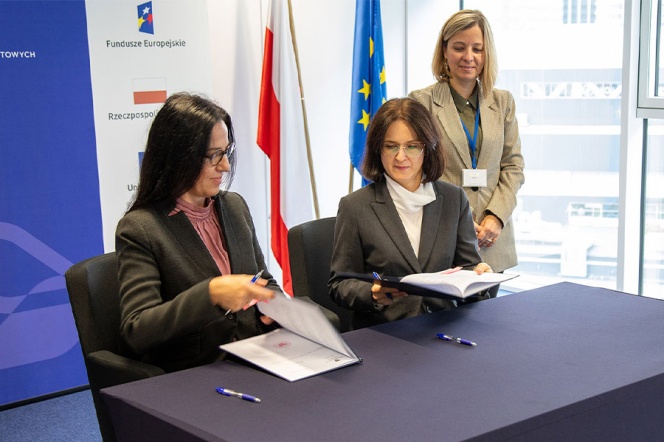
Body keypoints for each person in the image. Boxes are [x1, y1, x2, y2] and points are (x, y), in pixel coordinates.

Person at [115, 92, 279, 373]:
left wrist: (277, 308)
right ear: (178, 158)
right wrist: (210, 294)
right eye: (214, 156)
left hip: (256, 359)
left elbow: (263, 280)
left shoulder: (235, 206)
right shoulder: (141, 228)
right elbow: (138, 329)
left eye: (226, 152)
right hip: (197, 372)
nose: (225, 166)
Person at [328, 97, 491, 330]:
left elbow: (469, 268)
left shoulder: (453, 199)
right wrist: (371, 293)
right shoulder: (355, 206)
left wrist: (479, 277)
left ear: (428, 148)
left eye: (412, 146)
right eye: (391, 146)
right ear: (378, 149)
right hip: (386, 332)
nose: (400, 156)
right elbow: (340, 285)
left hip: (444, 327)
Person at [409, 10, 525, 298]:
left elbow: (513, 166)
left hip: (492, 239)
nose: (468, 57)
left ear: (487, 53)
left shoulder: (503, 102)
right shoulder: (421, 102)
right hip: (442, 235)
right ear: (444, 51)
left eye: (477, 49)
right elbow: (414, 172)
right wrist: (457, 219)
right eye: (459, 47)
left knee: (488, 320)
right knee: (443, 320)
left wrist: (496, 217)